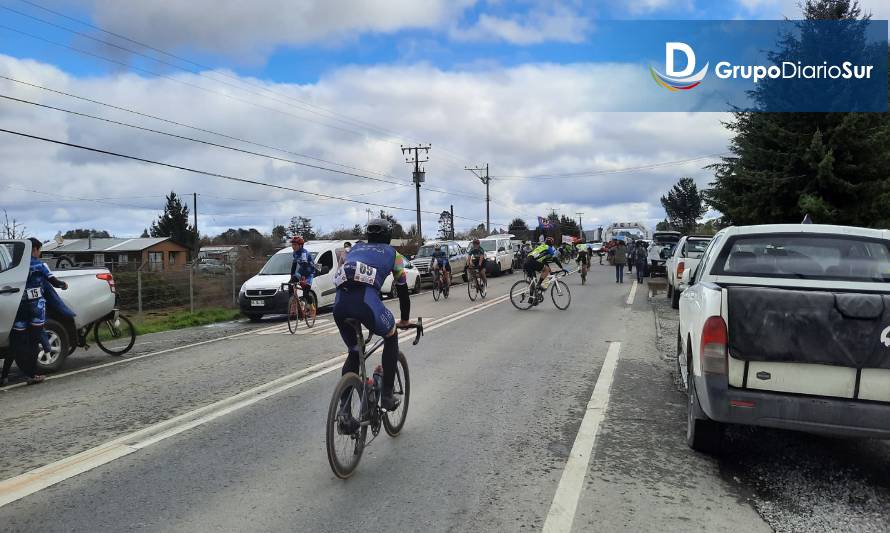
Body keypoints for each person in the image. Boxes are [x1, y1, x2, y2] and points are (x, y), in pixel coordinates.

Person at [332, 218, 411, 422]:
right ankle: (385, 396)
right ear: (388, 237)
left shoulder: (354, 249)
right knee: (391, 334)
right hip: (365, 303)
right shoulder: (395, 255)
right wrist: (404, 319)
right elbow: (402, 289)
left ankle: (344, 412)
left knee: (354, 352)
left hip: (339, 305)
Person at [5, 238, 70, 385]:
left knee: (17, 341)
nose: (39, 253)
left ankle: (5, 375)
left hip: (19, 307)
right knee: (34, 342)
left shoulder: (13, 266)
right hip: (36, 308)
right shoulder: (40, 265)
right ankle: (32, 375)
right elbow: (54, 282)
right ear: (34, 249)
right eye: (39, 250)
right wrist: (64, 285)